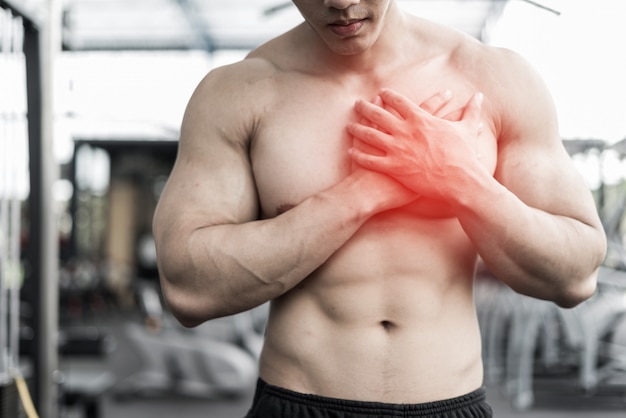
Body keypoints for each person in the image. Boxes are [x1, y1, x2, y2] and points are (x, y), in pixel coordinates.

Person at [152, 1, 607, 417]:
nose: (340, 3)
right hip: (297, 404)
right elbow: (188, 289)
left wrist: (458, 179)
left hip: (450, 405)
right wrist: (365, 192)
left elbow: (577, 273)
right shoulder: (239, 92)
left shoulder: (493, 78)